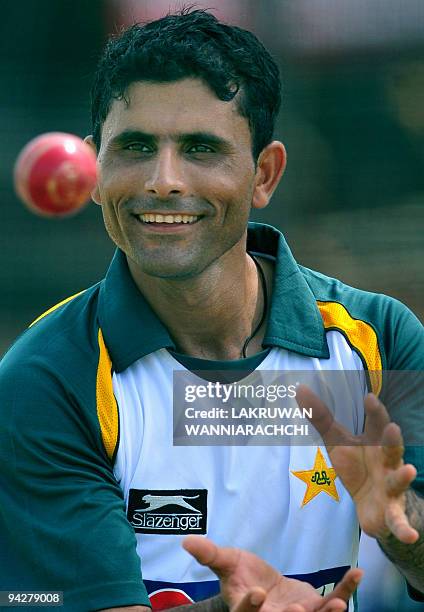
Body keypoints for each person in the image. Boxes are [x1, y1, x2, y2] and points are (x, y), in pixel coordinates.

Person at [0, 7, 423, 612]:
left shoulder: (382, 338)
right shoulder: (44, 380)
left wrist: (399, 522)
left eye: (201, 148)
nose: (163, 180)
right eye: (136, 147)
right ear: (96, 169)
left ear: (264, 175)